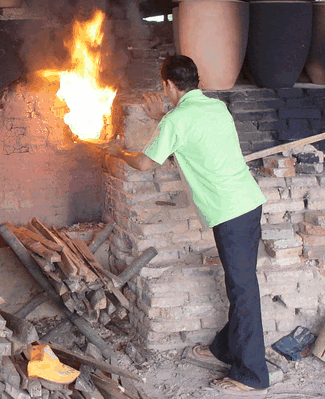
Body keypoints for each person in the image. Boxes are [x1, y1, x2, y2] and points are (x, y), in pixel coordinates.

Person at [110, 55, 270, 396]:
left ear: (168, 85)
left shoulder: (176, 121)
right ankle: (223, 350)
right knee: (242, 286)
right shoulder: (215, 108)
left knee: (242, 291)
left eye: (164, 86)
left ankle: (252, 376)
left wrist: (117, 152)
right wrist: (163, 119)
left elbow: (142, 163)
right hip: (248, 202)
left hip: (230, 212)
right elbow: (191, 132)